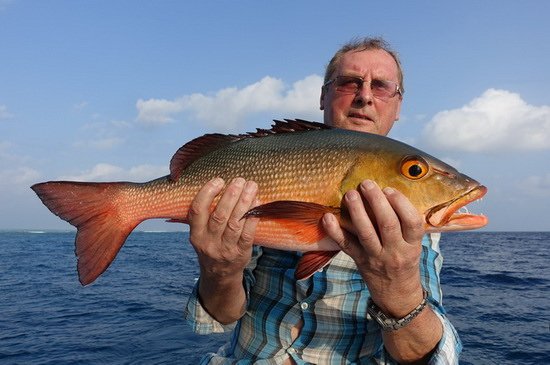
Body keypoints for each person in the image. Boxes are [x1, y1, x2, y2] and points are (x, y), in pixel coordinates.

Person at [184, 37, 461, 364]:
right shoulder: (266, 164)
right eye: (349, 83)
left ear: (398, 107)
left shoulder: (413, 216)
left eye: (382, 86)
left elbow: (428, 357)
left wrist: (399, 291)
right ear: (322, 96)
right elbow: (221, 316)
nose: (366, 96)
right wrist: (220, 272)